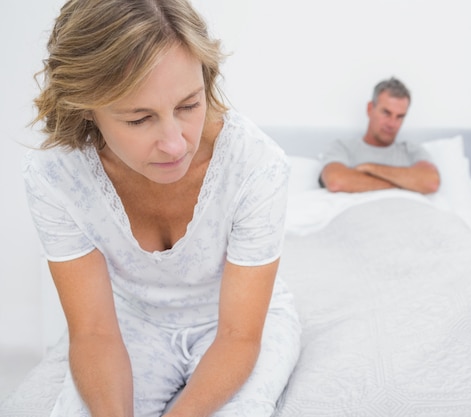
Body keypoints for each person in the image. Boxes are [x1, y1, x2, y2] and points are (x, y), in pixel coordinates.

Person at [22, 0, 301, 416]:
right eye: (139, 119)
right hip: (133, 321)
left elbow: (239, 335)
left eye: (189, 105)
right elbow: (94, 331)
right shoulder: (56, 177)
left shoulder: (256, 166)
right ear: (85, 108)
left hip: (237, 326)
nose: (175, 144)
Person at [319, 77, 440, 194]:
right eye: (386, 113)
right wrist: (407, 183)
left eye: (400, 117)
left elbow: (431, 182)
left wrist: (370, 168)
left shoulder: (410, 150)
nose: (392, 124)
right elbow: (336, 181)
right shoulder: (342, 147)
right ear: (370, 109)